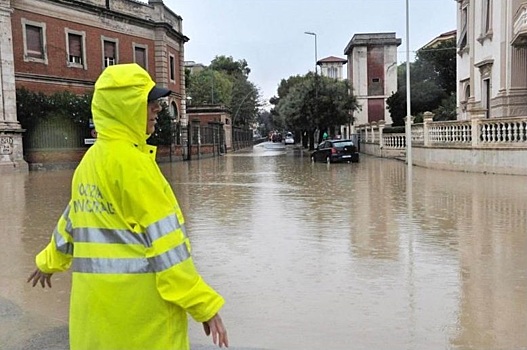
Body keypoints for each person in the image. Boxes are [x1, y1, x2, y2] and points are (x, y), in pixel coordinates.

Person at [27, 63, 228, 350]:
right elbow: (168, 249)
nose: (157, 109)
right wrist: (203, 305)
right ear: (125, 108)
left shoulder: (90, 161)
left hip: (94, 321)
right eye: (148, 102)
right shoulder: (135, 167)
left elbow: (72, 222)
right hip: (141, 324)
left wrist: (47, 262)